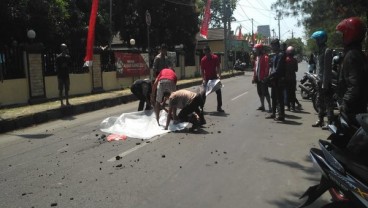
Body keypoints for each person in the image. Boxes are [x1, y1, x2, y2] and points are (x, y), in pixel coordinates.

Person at [335, 17, 368, 127]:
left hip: (352, 109)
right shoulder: (358, 53)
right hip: (359, 106)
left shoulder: (352, 55)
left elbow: (355, 85)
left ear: (350, 34)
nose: (342, 37)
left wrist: (344, 104)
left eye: (344, 33)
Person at [310, 30, 334, 128]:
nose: (316, 41)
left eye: (317, 39)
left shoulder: (327, 51)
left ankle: (330, 122)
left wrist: (325, 83)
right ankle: (320, 120)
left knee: (328, 102)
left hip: (325, 81)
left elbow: (327, 69)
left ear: (322, 39)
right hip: (319, 80)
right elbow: (319, 67)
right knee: (319, 101)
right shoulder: (319, 50)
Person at [265, 39, 286, 121]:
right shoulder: (275, 55)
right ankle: (273, 113)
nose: (272, 48)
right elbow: (272, 67)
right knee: (273, 97)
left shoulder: (281, 55)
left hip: (279, 79)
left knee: (279, 98)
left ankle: (281, 115)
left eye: (273, 46)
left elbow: (278, 70)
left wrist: (268, 77)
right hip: (274, 80)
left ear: (277, 46)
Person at [200, 45, 224, 112]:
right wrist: (203, 79)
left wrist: (219, 75)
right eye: (205, 53)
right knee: (203, 93)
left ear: (209, 52)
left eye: (207, 53)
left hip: (214, 78)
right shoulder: (203, 60)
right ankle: (201, 108)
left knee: (218, 92)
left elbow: (218, 67)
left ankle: (219, 107)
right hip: (207, 78)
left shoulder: (215, 57)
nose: (206, 55)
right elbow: (202, 70)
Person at [251, 43, 271, 112]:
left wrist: (265, 77)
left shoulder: (265, 57)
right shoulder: (257, 57)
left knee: (266, 93)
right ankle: (262, 106)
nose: (255, 51)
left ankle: (270, 107)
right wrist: (254, 77)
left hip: (263, 79)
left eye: (256, 49)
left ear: (260, 50)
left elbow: (267, 68)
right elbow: (255, 69)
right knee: (260, 93)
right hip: (258, 78)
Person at [284, 46, 302, 111]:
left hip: (286, 78)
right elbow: (296, 69)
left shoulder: (285, 59)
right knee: (292, 93)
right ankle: (292, 107)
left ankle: (287, 106)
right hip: (293, 78)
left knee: (287, 92)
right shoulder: (294, 60)